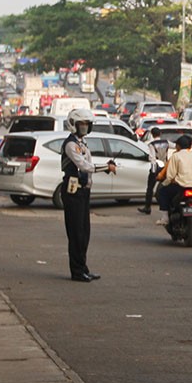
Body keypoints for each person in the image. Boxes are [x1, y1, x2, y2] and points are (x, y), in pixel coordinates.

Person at [60, 109, 116, 282]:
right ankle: (76, 271)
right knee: (76, 233)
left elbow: (88, 165)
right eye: (81, 124)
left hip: (84, 191)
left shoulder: (82, 143)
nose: (84, 127)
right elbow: (83, 166)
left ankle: (83, 267)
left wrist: (105, 167)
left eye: (86, 124)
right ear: (73, 125)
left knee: (84, 232)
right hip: (73, 192)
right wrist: (105, 168)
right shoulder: (70, 145)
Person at [156, 135, 192, 225]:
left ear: (178, 146)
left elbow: (170, 175)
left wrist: (166, 183)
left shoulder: (175, 156)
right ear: (190, 146)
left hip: (181, 186)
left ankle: (165, 218)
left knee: (162, 192)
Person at [138, 128, 169, 215]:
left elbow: (152, 158)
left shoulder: (152, 144)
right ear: (160, 133)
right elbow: (174, 146)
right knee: (166, 186)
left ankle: (147, 207)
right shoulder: (166, 142)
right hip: (165, 167)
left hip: (156, 167)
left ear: (152, 134)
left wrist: (153, 172)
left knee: (150, 188)